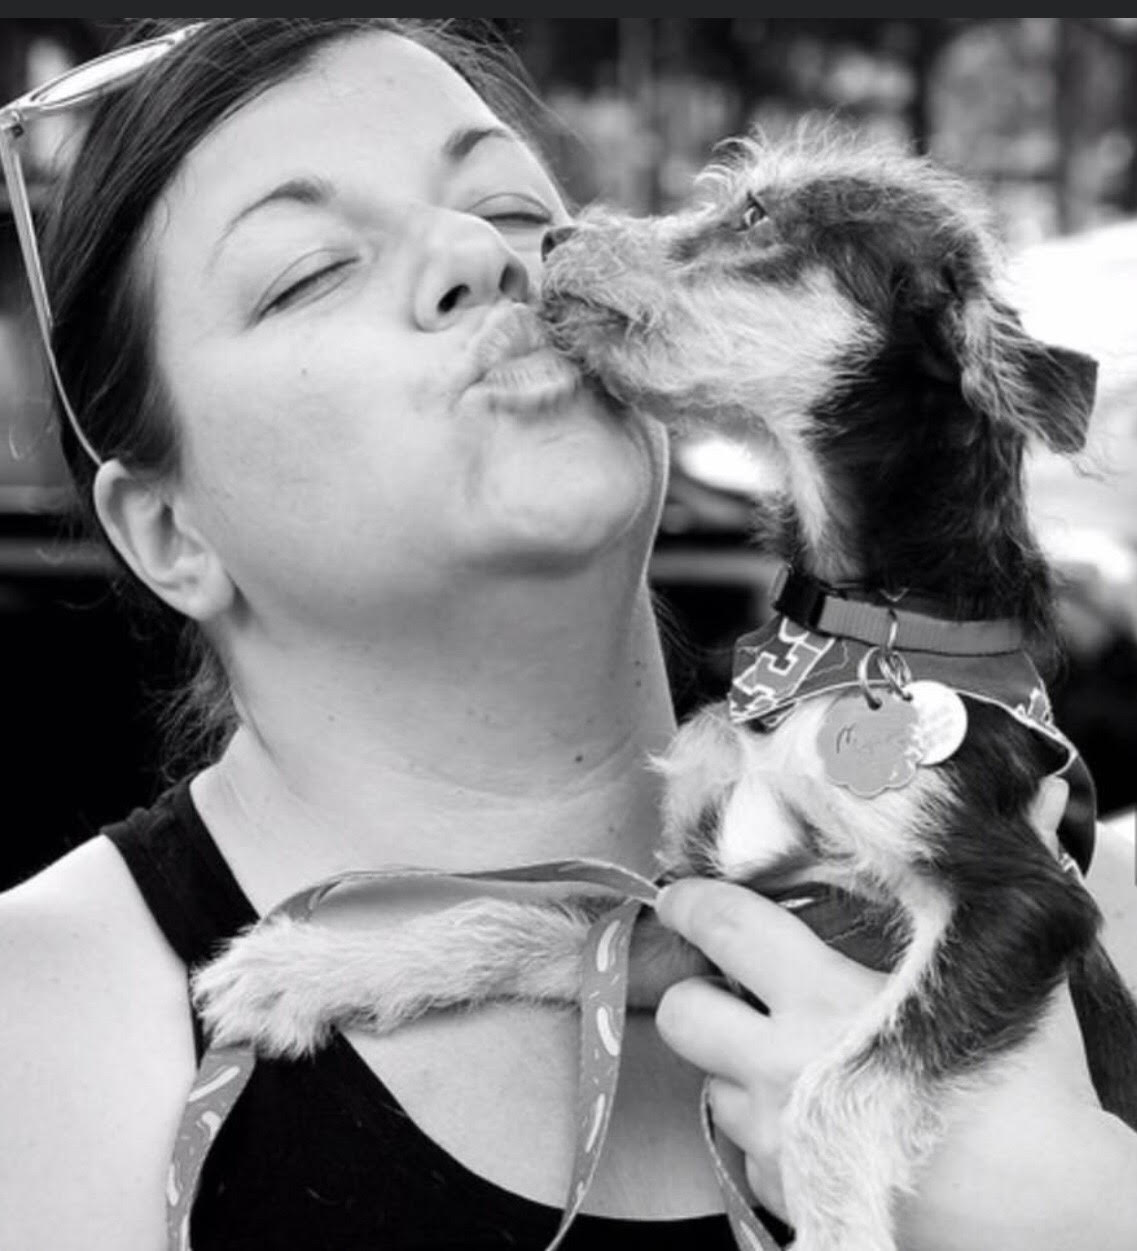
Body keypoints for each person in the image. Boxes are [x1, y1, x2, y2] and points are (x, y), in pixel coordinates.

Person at [0, 17, 1134, 1251]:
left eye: (509, 207)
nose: (478, 254)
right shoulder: (40, 1022)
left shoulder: (1105, 892)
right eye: (310, 270)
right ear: (167, 531)